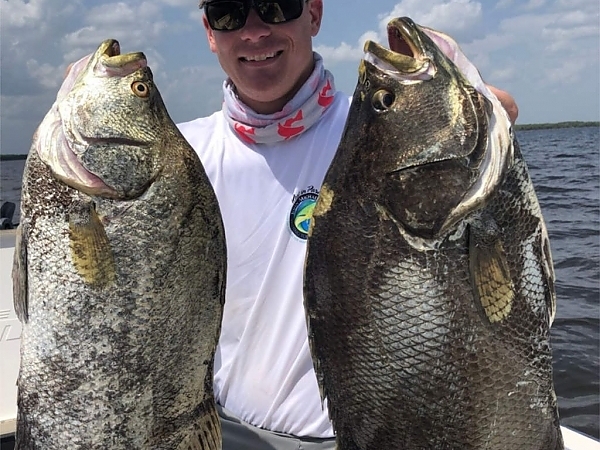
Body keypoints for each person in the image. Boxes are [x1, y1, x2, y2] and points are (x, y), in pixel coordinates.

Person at [178, 1, 519, 448]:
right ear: (209, 32)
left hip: (368, 435)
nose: (255, 31)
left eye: (277, 6)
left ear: (314, 14)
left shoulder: (382, 132)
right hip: (225, 431)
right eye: (229, 13)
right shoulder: (179, 158)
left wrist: (472, 114)